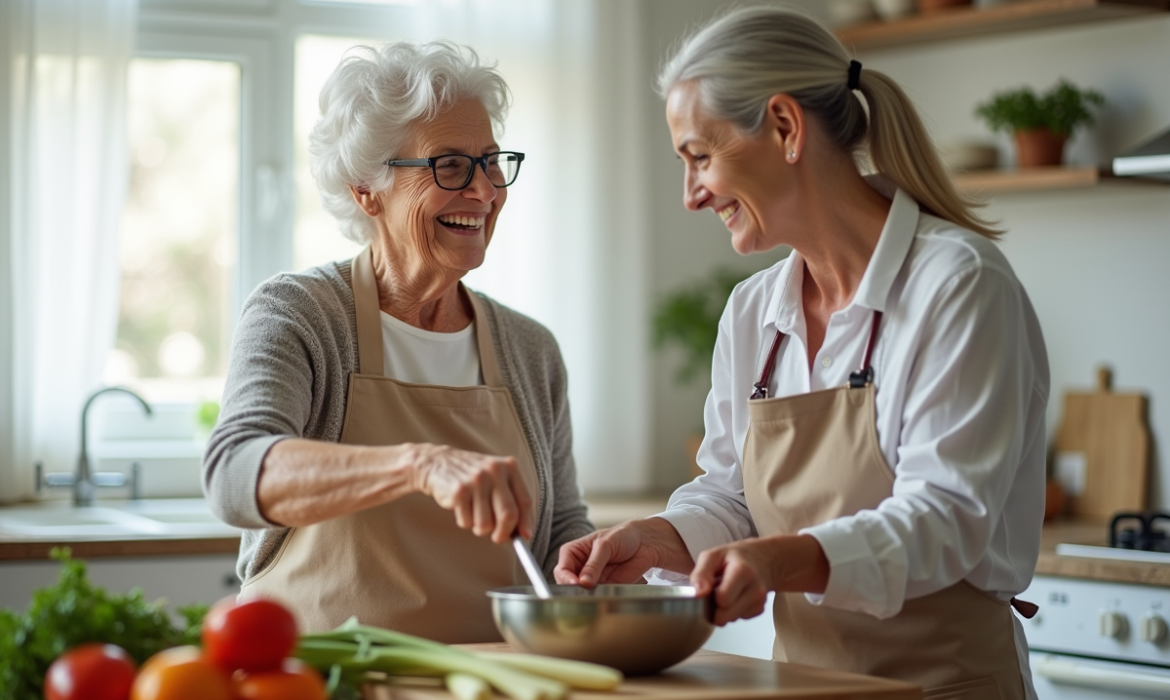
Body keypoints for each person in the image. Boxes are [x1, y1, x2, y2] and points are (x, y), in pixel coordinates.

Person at [555, 7, 1048, 698]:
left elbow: (946, 517)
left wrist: (783, 559)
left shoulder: (959, 284)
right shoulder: (754, 312)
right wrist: (660, 538)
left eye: (700, 156)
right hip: (805, 686)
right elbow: (731, 493)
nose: (691, 195)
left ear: (785, 128)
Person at [203, 41, 592, 643]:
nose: (485, 191)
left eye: (491, 163)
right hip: (326, 681)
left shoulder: (529, 348)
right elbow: (234, 473)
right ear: (366, 189)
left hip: (495, 680)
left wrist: (591, 570)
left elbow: (560, 526)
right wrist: (418, 464)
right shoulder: (299, 314)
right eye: (450, 166)